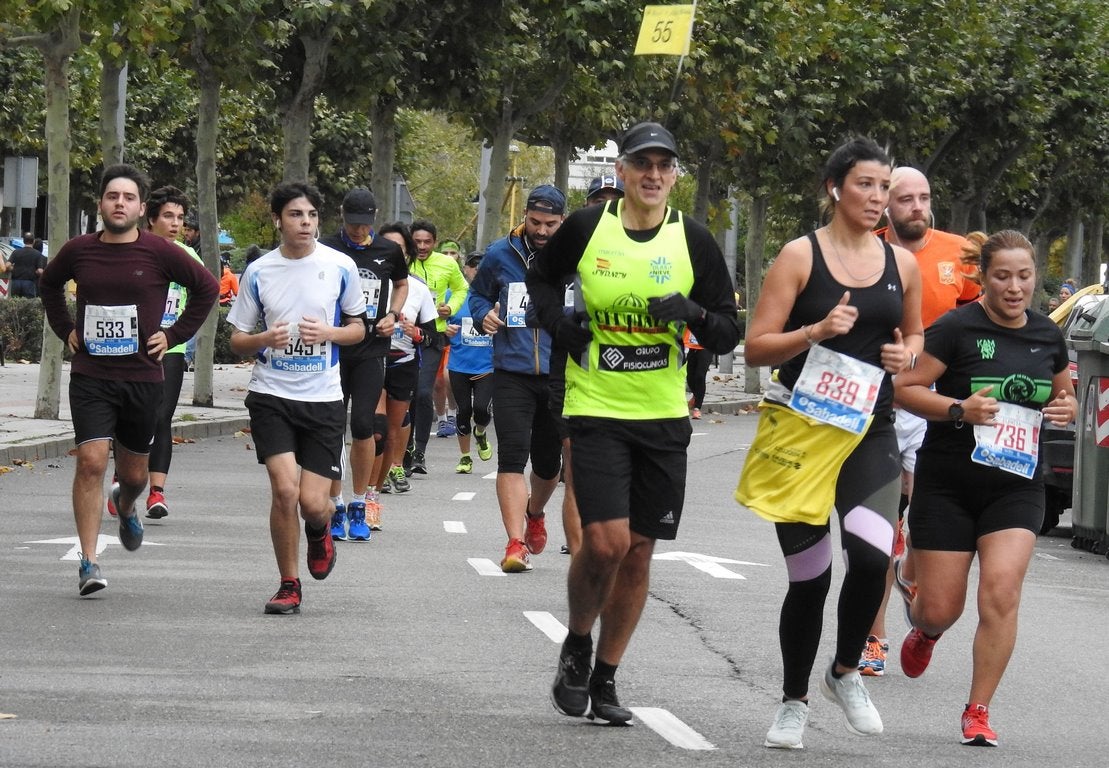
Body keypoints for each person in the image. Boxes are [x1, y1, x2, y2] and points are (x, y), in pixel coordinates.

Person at [530, 121, 740, 724]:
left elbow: (729, 328)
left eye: (664, 166)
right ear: (620, 172)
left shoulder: (692, 240)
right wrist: (557, 324)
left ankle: (607, 676)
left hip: (664, 414)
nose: (653, 176)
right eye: (642, 164)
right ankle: (576, 643)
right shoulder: (585, 227)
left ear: (675, 175)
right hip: (596, 407)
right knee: (605, 542)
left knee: (641, 551)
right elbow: (542, 280)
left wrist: (693, 312)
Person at [737, 136, 922, 748]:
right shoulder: (798, 257)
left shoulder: (902, 265)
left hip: (871, 429)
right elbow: (757, 346)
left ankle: (845, 672)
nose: (878, 197)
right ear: (835, 189)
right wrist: (815, 330)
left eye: (885, 186)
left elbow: (915, 338)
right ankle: (793, 701)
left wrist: (905, 353)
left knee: (871, 558)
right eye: (866, 184)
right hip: (803, 433)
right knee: (810, 579)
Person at [893, 230, 1075, 747]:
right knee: (941, 609)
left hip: (1016, 486)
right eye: (1002, 276)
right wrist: (958, 409)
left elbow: (1065, 396)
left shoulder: (1047, 334)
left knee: (1000, 593)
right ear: (983, 277)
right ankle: (924, 623)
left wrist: (1067, 409)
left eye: (1024, 276)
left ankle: (978, 710)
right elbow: (904, 389)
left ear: (1035, 277)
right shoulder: (956, 328)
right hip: (949, 483)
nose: (1014, 287)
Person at [38, 163, 219, 596]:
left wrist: (174, 335)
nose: (120, 203)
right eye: (112, 196)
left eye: (129, 197)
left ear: (140, 207)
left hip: (141, 377)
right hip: (92, 376)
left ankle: (126, 502)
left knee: (135, 473)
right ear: (101, 203)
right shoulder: (79, 250)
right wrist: (67, 330)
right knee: (92, 461)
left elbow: (207, 288)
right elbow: (50, 286)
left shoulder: (159, 251)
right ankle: (89, 562)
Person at [859, 165, 981, 676]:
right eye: (904, 198)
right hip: (889, 395)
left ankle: (909, 572)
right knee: (882, 521)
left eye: (923, 197)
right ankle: (874, 637)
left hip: (943, 403)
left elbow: (982, 328)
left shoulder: (960, 254)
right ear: (887, 203)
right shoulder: (871, 251)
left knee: (921, 511)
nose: (915, 206)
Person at [226, 181, 366, 614]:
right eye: (295, 215)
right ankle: (289, 583)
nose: (305, 223)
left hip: (323, 398)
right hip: (271, 394)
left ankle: (320, 529)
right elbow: (237, 339)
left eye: (311, 216)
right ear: (277, 220)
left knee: (311, 503)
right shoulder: (260, 271)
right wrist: (265, 338)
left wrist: (328, 333)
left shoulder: (340, 265)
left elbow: (358, 328)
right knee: (285, 491)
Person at [469, 184, 567, 573]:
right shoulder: (498, 255)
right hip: (511, 370)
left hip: (559, 372)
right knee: (513, 455)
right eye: (535, 222)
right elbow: (477, 296)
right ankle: (514, 543)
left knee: (548, 464)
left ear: (562, 221)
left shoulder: (574, 256)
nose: (542, 231)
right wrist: (483, 315)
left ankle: (536, 512)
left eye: (551, 224)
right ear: (524, 217)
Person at [321, 189, 408, 542]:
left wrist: (393, 314)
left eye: (364, 225)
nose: (358, 231)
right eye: (352, 224)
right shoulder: (326, 247)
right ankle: (335, 503)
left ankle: (359, 503)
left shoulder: (388, 250)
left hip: (372, 347)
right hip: (335, 346)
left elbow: (401, 284)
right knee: (331, 423)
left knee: (363, 424)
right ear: (342, 217)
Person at [140, 185, 206, 520]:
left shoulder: (188, 256)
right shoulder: (135, 250)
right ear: (150, 219)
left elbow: (204, 292)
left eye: (180, 217)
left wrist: (178, 332)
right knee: (135, 418)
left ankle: (156, 492)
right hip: (131, 349)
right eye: (168, 216)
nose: (175, 223)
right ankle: (124, 474)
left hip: (172, 347)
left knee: (162, 416)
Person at [373, 223, 439, 510]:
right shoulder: (363, 280)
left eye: (398, 248)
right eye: (386, 246)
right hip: (370, 362)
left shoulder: (418, 289)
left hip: (404, 363)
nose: (391, 253)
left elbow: (433, 337)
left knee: (392, 427)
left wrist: (416, 333)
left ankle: (386, 476)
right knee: (375, 426)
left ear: (407, 253)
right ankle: (368, 488)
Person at [406, 220, 468, 473]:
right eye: (417, 241)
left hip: (434, 336)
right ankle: (405, 449)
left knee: (423, 393)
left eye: (427, 242)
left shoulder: (447, 263)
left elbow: (461, 288)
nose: (421, 246)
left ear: (435, 241)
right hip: (405, 336)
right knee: (406, 394)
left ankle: (419, 450)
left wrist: (450, 308)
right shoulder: (403, 261)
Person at [445, 250, 494, 474]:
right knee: (463, 410)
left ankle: (481, 433)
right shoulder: (452, 295)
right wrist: (445, 329)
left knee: (481, 409)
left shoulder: (496, 295)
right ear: (465, 269)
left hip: (487, 366)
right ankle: (465, 457)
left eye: (482, 265)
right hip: (459, 364)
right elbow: (435, 322)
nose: (477, 269)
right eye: (473, 265)